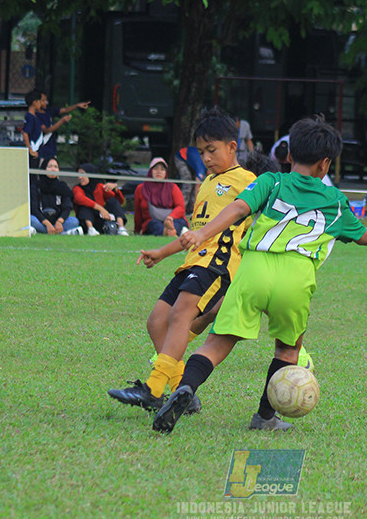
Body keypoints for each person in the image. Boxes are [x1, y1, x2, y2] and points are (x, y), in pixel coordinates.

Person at [151, 117, 367, 433]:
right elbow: (366, 236)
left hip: (254, 269)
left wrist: (203, 231)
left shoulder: (271, 182)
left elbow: (236, 210)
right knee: (288, 350)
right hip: (296, 277)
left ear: (288, 156)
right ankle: (264, 417)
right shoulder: (335, 201)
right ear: (325, 164)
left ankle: (187, 387)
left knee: (218, 342)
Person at [107, 112, 257, 414]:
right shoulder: (207, 184)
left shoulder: (248, 182)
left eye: (211, 150)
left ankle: (153, 389)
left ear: (232, 146)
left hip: (218, 264)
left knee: (180, 315)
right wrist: (162, 252)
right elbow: (195, 231)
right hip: (193, 263)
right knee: (156, 322)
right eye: (201, 152)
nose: (206, 158)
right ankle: (182, 391)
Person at [21, 89, 88, 168]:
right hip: (40, 151)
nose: (44, 103)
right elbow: (27, 132)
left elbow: (64, 110)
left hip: (47, 150)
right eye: (41, 101)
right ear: (35, 102)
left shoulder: (46, 112)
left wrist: (77, 105)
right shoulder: (32, 117)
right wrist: (30, 150)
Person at [133, 157, 188, 236]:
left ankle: (172, 231)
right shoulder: (141, 188)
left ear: (166, 172)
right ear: (150, 171)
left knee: (177, 223)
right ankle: (167, 232)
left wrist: (170, 218)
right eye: (156, 169)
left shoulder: (173, 187)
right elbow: (138, 212)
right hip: (152, 221)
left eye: (162, 169)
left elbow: (180, 207)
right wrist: (136, 230)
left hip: (173, 219)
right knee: (154, 224)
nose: (159, 172)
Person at [73, 163, 129, 236]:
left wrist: (115, 189)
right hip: (86, 220)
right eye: (78, 175)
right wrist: (100, 208)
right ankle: (90, 229)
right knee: (85, 205)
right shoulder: (77, 188)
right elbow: (79, 198)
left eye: (83, 174)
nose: (80, 177)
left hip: (101, 219)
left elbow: (119, 201)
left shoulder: (99, 186)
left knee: (113, 201)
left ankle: (121, 228)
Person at [29, 158, 82, 234]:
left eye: (55, 167)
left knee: (74, 221)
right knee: (31, 219)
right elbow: (34, 209)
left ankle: (41, 231)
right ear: (44, 169)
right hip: (41, 221)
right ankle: (63, 233)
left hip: (57, 221)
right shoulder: (36, 186)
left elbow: (67, 208)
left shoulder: (62, 187)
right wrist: (46, 223)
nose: (53, 169)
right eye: (50, 166)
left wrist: (60, 221)